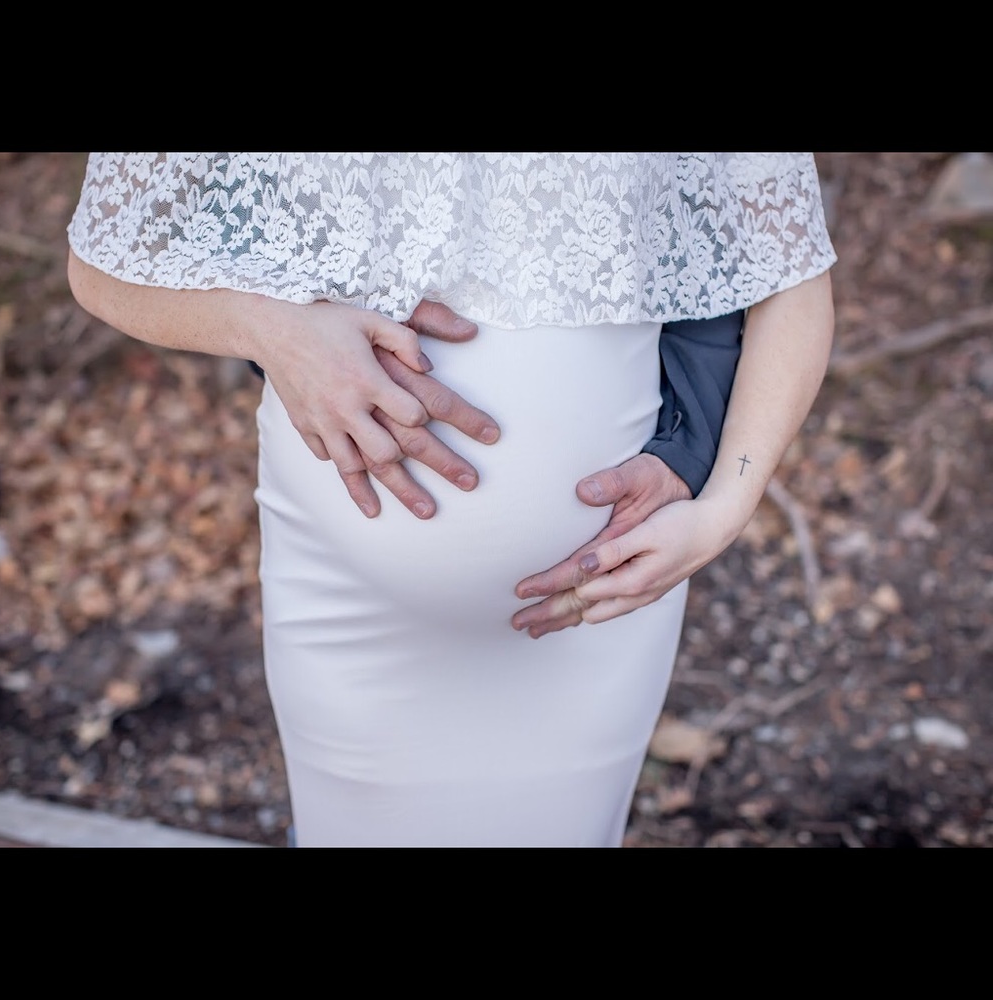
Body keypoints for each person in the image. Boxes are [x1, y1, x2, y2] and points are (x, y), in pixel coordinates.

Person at [67, 153, 836, 847]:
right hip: (343, 594)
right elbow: (100, 264)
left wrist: (722, 509)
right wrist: (278, 332)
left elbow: (793, 281)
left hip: (598, 615)